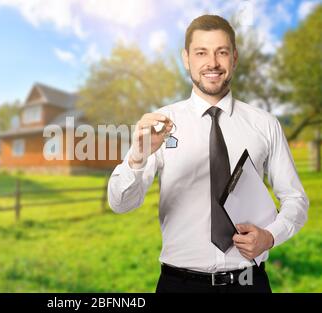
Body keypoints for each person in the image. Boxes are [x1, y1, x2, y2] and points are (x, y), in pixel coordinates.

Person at [107, 15, 309, 293]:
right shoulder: (159, 124)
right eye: (201, 52)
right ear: (186, 58)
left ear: (234, 58)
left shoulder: (265, 124)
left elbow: (296, 199)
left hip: (248, 282)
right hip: (179, 285)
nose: (212, 63)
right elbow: (121, 204)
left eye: (221, 52)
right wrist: (138, 156)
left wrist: (270, 237)